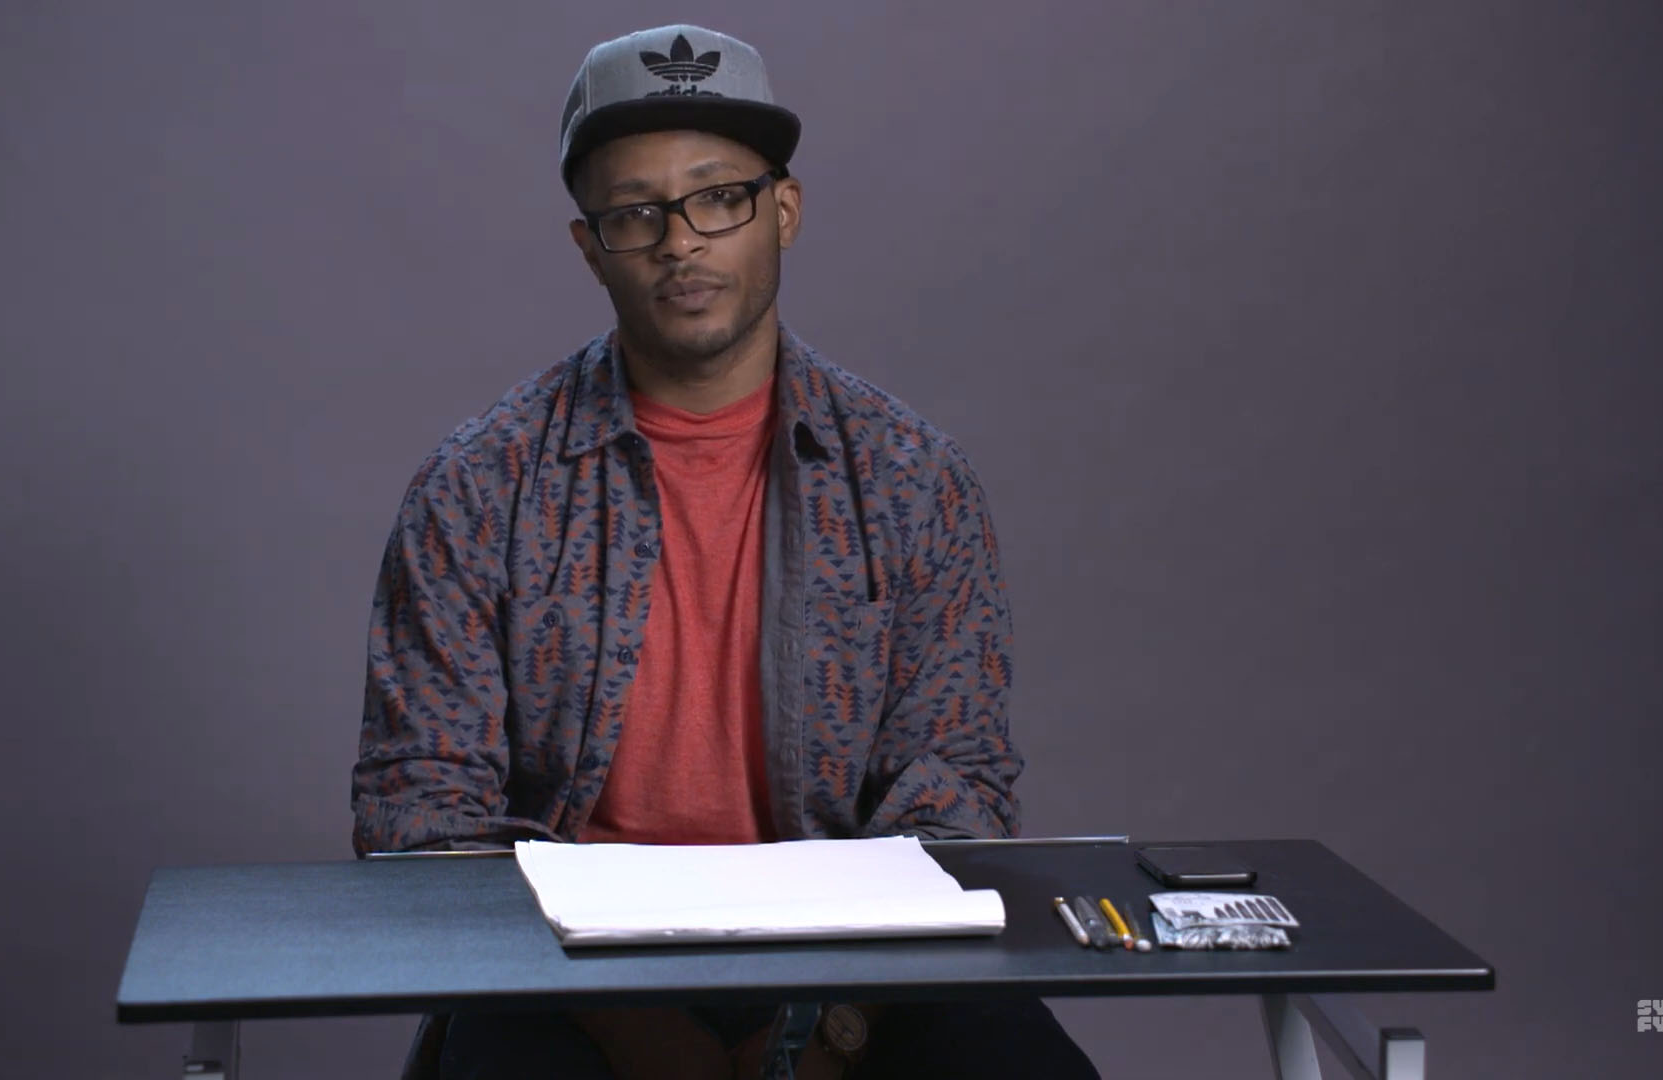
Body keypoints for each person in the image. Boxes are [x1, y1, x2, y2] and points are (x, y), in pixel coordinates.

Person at [351, 23, 1102, 1080]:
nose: (680, 241)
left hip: (858, 960)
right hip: (563, 967)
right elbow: (420, 811)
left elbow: (956, 789)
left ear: (782, 211)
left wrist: (835, 1027)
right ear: (590, 248)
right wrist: (640, 1033)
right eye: (636, 212)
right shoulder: (479, 488)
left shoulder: (912, 479)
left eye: (718, 198)